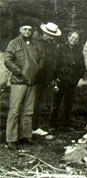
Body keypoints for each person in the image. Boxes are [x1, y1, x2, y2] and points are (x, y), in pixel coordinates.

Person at [4, 21, 42, 150]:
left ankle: (25, 135)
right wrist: (19, 72)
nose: (27, 32)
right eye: (25, 29)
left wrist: (37, 69)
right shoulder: (14, 43)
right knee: (14, 111)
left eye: (30, 30)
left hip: (32, 82)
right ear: (20, 30)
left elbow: (41, 58)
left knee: (29, 110)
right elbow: (7, 60)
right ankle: (11, 138)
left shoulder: (35, 45)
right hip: (19, 82)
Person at [49, 31, 85, 132]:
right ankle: (52, 125)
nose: (74, 40)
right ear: (68, 37)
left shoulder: (79, 51)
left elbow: (82, 67)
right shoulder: (60, 48)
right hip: (60, 80)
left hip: (71, 81)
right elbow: (55, 64)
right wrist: (56, 77)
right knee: (56, 104)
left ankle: (66, 124)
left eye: (76, 39)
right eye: (72, 38)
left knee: (68, 104)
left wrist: (76, 78)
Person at [32, 22, 62, 136]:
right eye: (49, 35)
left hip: (45, 78)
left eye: (52, 36)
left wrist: (52, 77)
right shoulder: (36, 44)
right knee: (31, 104)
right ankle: (26, 127)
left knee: (39, 104)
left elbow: (52, 63)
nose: (51, 38)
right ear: (44, 33)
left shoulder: (52, 46)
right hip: (35, 78)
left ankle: (35, 126)